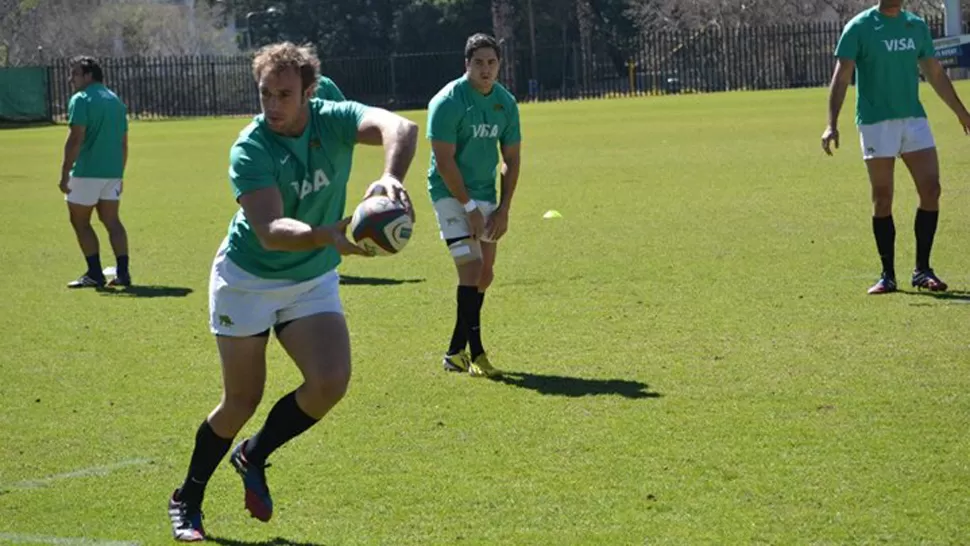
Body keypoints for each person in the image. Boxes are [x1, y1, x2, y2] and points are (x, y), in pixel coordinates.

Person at [167, 42, 418, 541]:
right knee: (241, 400)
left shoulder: (332, 118)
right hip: (249, 278)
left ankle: (254, 454)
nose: (273, 105)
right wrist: (330, 234)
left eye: (285, 94)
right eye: (265, 94)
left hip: (310, 277)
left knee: (330, 381)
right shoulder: (251, 146)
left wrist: (389, 177)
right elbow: (270, 229)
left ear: (310, 92)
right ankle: (187, 498)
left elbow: (402, 127)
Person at [823, 0, 970, 294]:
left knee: (932, 189)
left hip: (913, 119)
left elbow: (935, 73)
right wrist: (832, 123)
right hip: (876, 122)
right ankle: (887, 275)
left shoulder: (915, 26)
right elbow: (841, 76)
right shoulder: (859, 27)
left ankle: (922, 270)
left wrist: (961, 113)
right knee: (882, 197)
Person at [426, 33, 522, 377]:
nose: (486, 69)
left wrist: (503, 208)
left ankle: (454, 352)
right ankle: (477, 353)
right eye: (478, 62)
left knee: (484, 275)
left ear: (499, 65)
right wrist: (466, 208)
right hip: (449, 193)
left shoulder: (505, 103)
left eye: (492, 62)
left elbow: (510, 158)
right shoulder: (448, 102)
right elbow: (444, 160)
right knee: (470, 267)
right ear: (466, 64)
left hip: (485, 194)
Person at [59, 55, 131, 288]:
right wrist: (119, 173)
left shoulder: (81, 99)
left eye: (75, 74)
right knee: (112, 221)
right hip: (112, 171)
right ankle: (123, 273)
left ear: (89, 75)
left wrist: (64, 172)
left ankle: (94, 273)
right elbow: (123, 142)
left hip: (86, 172)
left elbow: (75, 138)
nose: (71, 79)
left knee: (80, 222)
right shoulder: (115, 100)